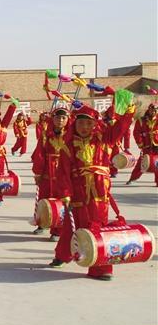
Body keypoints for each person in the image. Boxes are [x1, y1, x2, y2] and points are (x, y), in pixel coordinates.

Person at [48, 102, 135, 280]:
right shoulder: (68, 145)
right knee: (71, 226)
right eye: (81, 123)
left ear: (95, 124)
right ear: (75, 124)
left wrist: (128, 113)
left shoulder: (104, 139)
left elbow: (120, 128)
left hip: (99, 193)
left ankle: (101, 269)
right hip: (77, 191)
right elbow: (63, 171)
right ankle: (62, 255)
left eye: (89, 123)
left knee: (98, 228)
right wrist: (65, 193)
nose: (84, 127)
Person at [30, 107, 71, 239]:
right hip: (47, 171)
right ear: (53, 119)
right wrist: (37, 172)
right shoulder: (45, 135)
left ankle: (57, 230)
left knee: (61, 200)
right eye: (58, 117)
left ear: (68, 120)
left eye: (64, 118)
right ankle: (42, 223)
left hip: (63, 172)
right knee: (44, 198)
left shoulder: (71, 135)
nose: (60, 120)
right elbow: (39, 154)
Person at [126, 103, 157, 186]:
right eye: (152, 110)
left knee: (157, 164)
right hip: (146, 145)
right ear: (148, 110)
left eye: (155, 111)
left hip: (156, 145)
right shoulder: (141, 120)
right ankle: (133, 178)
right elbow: (136, 133)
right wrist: (140, 143)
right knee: (141, 163)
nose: (153, 112)